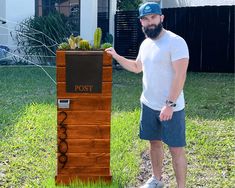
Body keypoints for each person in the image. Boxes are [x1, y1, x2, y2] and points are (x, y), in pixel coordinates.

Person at [106, 1, 189, 188]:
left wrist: (169, 104)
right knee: (154, 143)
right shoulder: (145, 44)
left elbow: (180, 75)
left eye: (153, 17)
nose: (150, 22)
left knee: (176, 149)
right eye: (145, 19)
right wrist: (117, 57)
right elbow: (137, 67)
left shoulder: (176, 42)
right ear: (141, 22)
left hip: (172, 107)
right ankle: (156, 179)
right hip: (149, 104)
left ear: (161, 18)